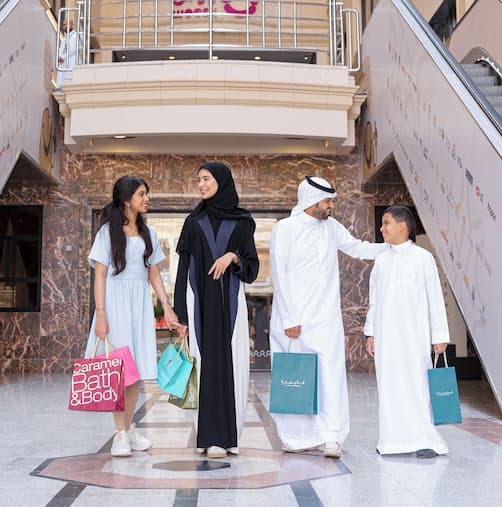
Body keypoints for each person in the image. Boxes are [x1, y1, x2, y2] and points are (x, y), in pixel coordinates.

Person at [268, 176, 387, 459]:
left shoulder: (331, 228)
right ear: (311, 200)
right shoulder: (285, 229)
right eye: (327, 201)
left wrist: (393, 246)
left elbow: (358, 248)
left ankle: (331, 435)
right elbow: (279, 274)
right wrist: (289, 318)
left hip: (326, 319)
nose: (331, 206)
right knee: (294, 376)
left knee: (330, 376)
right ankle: (297, 437)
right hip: (293, 320)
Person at [85, 175, 180, 457]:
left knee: (135, 371)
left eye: (146, 193)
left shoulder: (149, 234)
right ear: (127, 200)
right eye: (141, 194)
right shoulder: (107, 233)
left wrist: (167, 306)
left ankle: (127, 429)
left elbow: (154, 274)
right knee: (118, 371)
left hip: (139, 304)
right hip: (114, 303)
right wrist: (100, 314)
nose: (146, 199)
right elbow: (100, 275)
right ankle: (120, 434)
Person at [173, 162, 259, 459]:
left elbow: (252, 267)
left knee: (231, 362)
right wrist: (180, 315)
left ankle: (230, 437)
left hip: (230, 303)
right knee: (204, 363)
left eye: (206, 179)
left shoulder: (243, 221)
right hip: (199, 301)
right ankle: (209, 437)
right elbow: (182, 269)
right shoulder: (193, 222)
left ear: (221, 181)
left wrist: (233, 256)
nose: (201, 184)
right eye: (199, 180)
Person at [364, 205, 450, 457]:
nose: (382, 229)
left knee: (417, 385)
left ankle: (425, 440)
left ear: (402, 226)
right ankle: (391, 442)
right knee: (389, 387)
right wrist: (371, 333)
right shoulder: (381, 261)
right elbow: (374, 301)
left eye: (386, 223)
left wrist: (439, 336)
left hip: (415, 336)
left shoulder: (423, 258)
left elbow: (435, 299)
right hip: (386, 337)